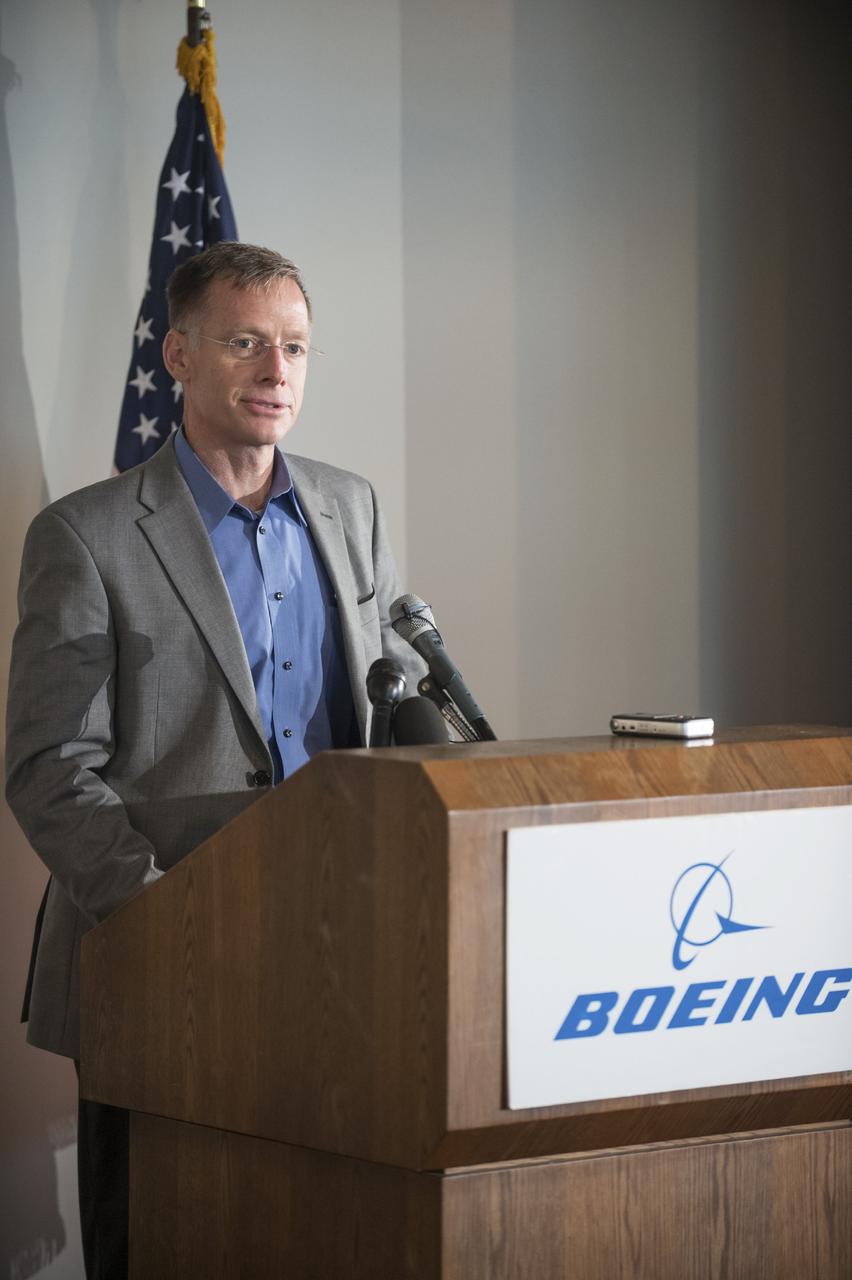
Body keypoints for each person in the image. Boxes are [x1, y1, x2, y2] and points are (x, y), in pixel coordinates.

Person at [5, 242, 424, 1279]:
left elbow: (399, 699)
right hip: (154, 957)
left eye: (293, 346)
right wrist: (171, 924)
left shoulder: (350, 506)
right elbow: (49, 764)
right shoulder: (88, 534)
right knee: (161, 1240)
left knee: (311, 1230)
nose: (276, 370)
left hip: (334, 949)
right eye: (246, 342)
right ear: (179, 355)